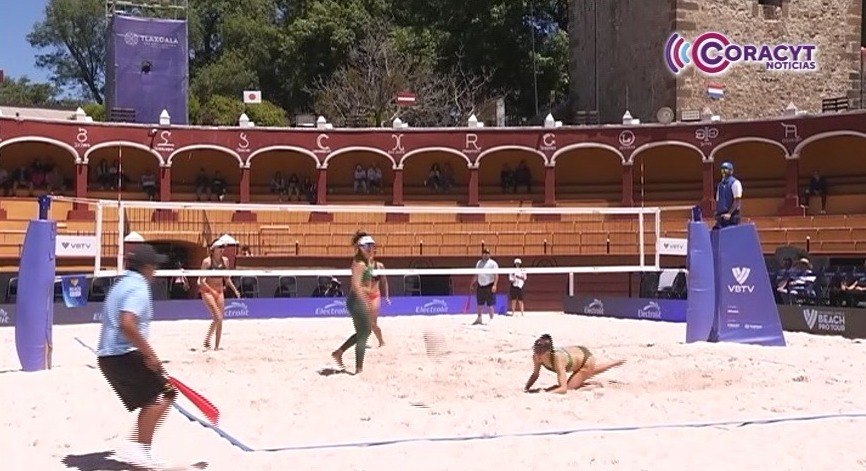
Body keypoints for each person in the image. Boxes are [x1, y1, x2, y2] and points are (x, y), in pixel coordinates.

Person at [96, 244, 177, 468]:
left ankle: (139, 450)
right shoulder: (138, 288)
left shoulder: (121, 284)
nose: (156, 271)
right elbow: (127, 324)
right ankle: (139, 448)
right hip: (121, 355)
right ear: (146, 267)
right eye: (154, 266)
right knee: (165, 395)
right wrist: (150, 355)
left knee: (154, 397)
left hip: (108, 356)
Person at [331, 231, 377, 374]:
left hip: (361, 299)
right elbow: (356, 286)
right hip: (357, 300)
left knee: (365, 332)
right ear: (360, 247)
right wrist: (366, 300)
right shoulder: (359, 264)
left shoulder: (367, 261)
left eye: (372, 246)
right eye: (367, 246)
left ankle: (339, 352)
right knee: (364, 334)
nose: (370, 249)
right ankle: (358, 369)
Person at [524, 334, 625, 394]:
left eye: (541, 352)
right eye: (536, 351)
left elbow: (563, 389)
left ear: (548, 352)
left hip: (586, 359)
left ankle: (600, 380)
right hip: (576, 354)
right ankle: (612, 363)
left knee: (570, 387)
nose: (538, 354)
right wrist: (527, 388)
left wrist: (546, 393)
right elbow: (535, 374)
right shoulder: (536, 357)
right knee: (587, 373)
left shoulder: (557, 358)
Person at [198, 239, 241, 350]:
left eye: (223, 247)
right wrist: (211, 290)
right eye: (220, 247)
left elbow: (227, 278)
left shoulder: (225, 261)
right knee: (217, 317)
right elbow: (201, 280)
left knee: (220, 320)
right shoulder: (207, 262)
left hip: (220, 291)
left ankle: (216, 347)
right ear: (213, 249)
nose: (222, 250)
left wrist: (235, 290)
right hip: (208, 291)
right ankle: (207, 341)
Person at [471, 248, 499, 325]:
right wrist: (472, 284)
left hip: (489, 286)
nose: (485, 254)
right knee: (479, 304)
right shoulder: (479, 263)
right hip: (480, 285)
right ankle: (479, 318)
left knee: (490, 304)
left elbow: (496, 275)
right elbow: (476, 275)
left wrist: (495, 285)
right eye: (484, 253)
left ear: (489, 254)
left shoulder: (493, 263)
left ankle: (491, 318)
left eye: (487, 253)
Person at [368, 253, 391, 347]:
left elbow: (384, 282)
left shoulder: (379, 266)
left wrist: (386, 296)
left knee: (373, 323)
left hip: (375, 296)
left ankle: (381, 341)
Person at [714, 161, 743, 229]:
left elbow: (737, 200)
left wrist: (729, 213)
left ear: (731, 171)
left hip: (732, 215)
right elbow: (718, 200)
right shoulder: (720, 184)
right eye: (723, 169)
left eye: (726, 169)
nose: (724, 171)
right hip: (721, 215)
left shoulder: (735, 183)